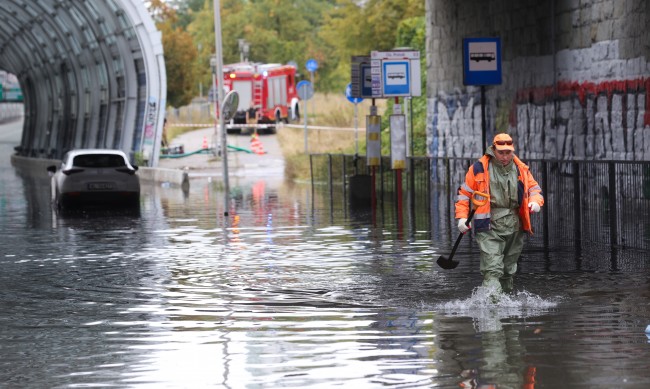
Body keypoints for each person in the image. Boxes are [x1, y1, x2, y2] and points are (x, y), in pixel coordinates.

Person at [455, 133, 544, 295]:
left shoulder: (521, 169)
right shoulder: (478, 169)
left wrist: (535, 202)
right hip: (489, 227)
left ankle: (504, 308)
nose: (504, 156)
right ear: (493, 150)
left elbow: (534, 189)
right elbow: (463, 195)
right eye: (501, 152)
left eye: (508, 152)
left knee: (508, 271)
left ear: (512, 151)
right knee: (492, 270)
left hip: (515, 227)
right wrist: (462, 217)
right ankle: (492, 311)